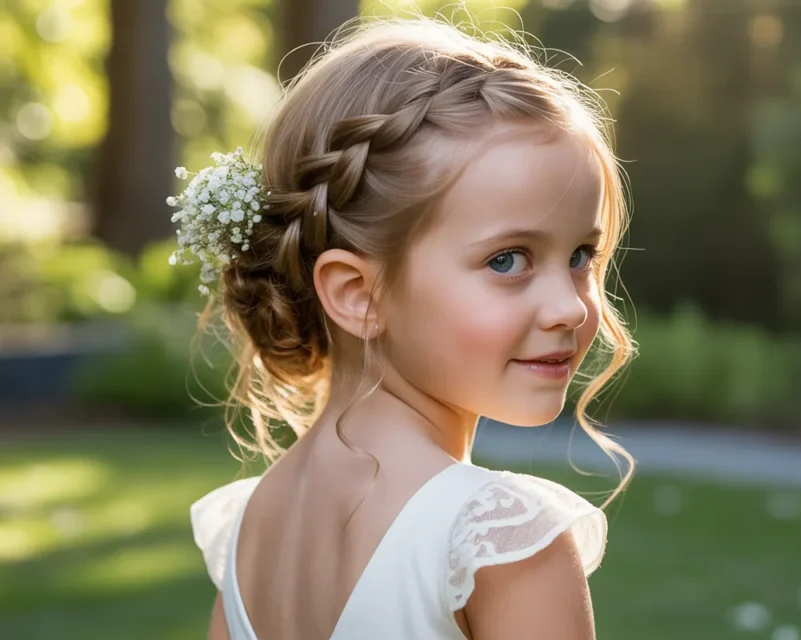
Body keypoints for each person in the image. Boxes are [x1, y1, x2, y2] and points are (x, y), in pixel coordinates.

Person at [173, 15, 635, 640]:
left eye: (582, 255)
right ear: (358, 294)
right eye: (507, 260)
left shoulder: (253, 526)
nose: (572, 308)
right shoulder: (496, 539)